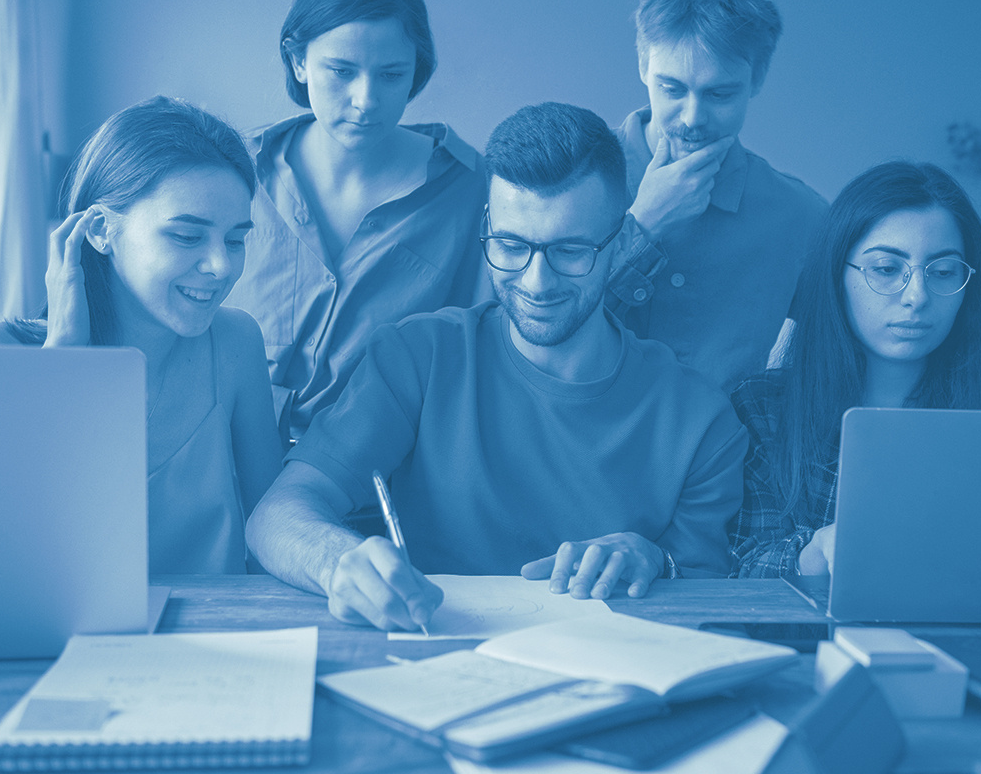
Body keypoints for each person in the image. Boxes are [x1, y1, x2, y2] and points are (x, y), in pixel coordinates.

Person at [245, 102, 748, 631]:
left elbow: (709, 596)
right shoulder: (417, 356)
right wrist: (337, 563)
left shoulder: (701, 420)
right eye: (510, 245)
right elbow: (275, 516)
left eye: (570, 251)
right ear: (487, 227)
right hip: (429, 654)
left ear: (620, 241)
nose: (536, 282)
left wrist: (657, 562)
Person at [0, 96, 285, 575]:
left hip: (216, 621)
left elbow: (276, 531)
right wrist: (63, 358)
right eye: (187, 236)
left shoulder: (236, 342)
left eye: (235, 240)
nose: (221, 266)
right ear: (99, 231)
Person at [729, 161, 981, 578]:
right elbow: (739, 568)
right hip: (812, 623)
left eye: (943, 272)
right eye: (886, 269)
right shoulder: (762, 407)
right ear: (836, 275)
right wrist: (817, 552)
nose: (917, 296)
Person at [225, 0, 488, 442]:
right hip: (221, 458)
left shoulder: (472, 190)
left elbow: (488, 357)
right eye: (342, 71)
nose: (366, 101)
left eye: (391, 75)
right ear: (298, 60)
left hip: (380, 472)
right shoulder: (233, 170)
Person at [607, 0, 829, 391]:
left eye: (720, 94)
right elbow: (527, 342)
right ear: (643, 66)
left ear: (757, 79)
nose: (693, 117)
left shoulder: (802, 217)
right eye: (672, 89)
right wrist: (642, 227)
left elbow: (847, 353)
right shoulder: (569, 182)